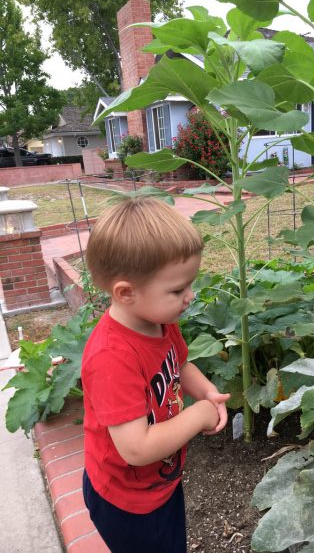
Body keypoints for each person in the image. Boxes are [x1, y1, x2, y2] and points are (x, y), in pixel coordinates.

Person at [81, 197, 230, 553]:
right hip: (126, 500)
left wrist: (206, 392)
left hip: (159, 481)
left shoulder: (160, 323)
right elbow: (136, 448)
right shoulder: (111, 357)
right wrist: (198, 415)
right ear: (126, 292)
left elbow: (179, 366)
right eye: (178, 290)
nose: (189, 297)